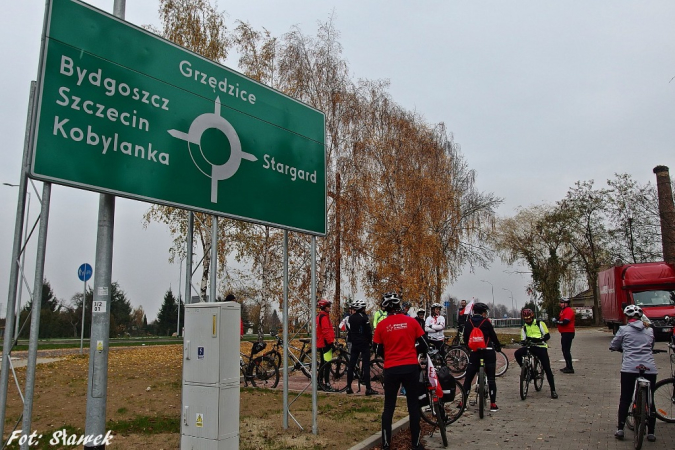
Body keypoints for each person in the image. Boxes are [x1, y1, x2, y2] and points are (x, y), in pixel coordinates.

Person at [373, 292, 427, 450]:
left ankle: (386, 444)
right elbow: (424, 345)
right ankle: (416, 444)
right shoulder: (411, 322)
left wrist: (389, 353)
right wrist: (412, 350)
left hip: (391, 368)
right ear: (399, 306)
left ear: (385, 308)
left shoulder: (382, 325)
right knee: (413, 405)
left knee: (389, 406)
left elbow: (377, 349)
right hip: (410, 367)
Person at [609, 305, 658, 442]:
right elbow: (651, 345)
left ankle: (620, 429)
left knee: (625, 398)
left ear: (627, 317)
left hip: (630, 368)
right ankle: (651, 433)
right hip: (649, 368)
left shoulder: (623, 329)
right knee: (650, 399)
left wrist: (619, 348)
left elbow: (614, 345)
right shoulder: (649, 330)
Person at [462, 302, 501, 412]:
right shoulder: (486, 322)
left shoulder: (468, 322)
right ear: (483, 313)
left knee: (468, 379)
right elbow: (493, 336)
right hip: (488, 352)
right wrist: (498, 347)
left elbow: (465, 338)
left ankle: (463, 403)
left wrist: (469, 347)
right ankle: (493, 404)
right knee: (491, 379)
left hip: (475, 353)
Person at [514, 308, 558, 399]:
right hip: (530, 347)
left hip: (540, 346)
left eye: (529, 319)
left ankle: (553, 390)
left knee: (547, 368)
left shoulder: (539, 323)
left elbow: (547, 335)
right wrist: (523, 342)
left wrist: (540, 339)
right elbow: (523, 339)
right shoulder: (524, 327)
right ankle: (526, 370)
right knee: (517, 354)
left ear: (532, 317)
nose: (528, 320)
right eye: (526, 319)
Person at [345, 299, 378, 396]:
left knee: (351, 365)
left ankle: (348, 387)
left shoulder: (351, 318)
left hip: (355, 343)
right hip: (364, 343)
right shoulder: (364, 317)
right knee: (366, 365)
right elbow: (368, 331)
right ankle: (368, 388)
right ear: (362, 308)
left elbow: (350, 331)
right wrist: (370, 342)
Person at [552, 297, 575, 373]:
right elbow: (560, 318)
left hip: (568, 332)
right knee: (564, 350)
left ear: (566, 303)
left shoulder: (568, 311)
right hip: (564, 333)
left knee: (566, 350)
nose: (561, 304)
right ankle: (568, 366)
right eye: (560, 303)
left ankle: (570, 367)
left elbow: (565, 322)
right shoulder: (563, 311)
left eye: (562, 303)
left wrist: (557, 322)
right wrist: (556, 319)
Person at [316, 299, 335, 390]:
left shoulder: (323, 316)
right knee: (327, 364)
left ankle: (319, 382)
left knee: (323, 363)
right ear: (323, 307)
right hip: (325, 343)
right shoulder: (323, 317)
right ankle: (326, 384)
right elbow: (325, 331)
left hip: (323, 342)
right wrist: (331, 342)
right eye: (328, 306)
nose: (329, 308)